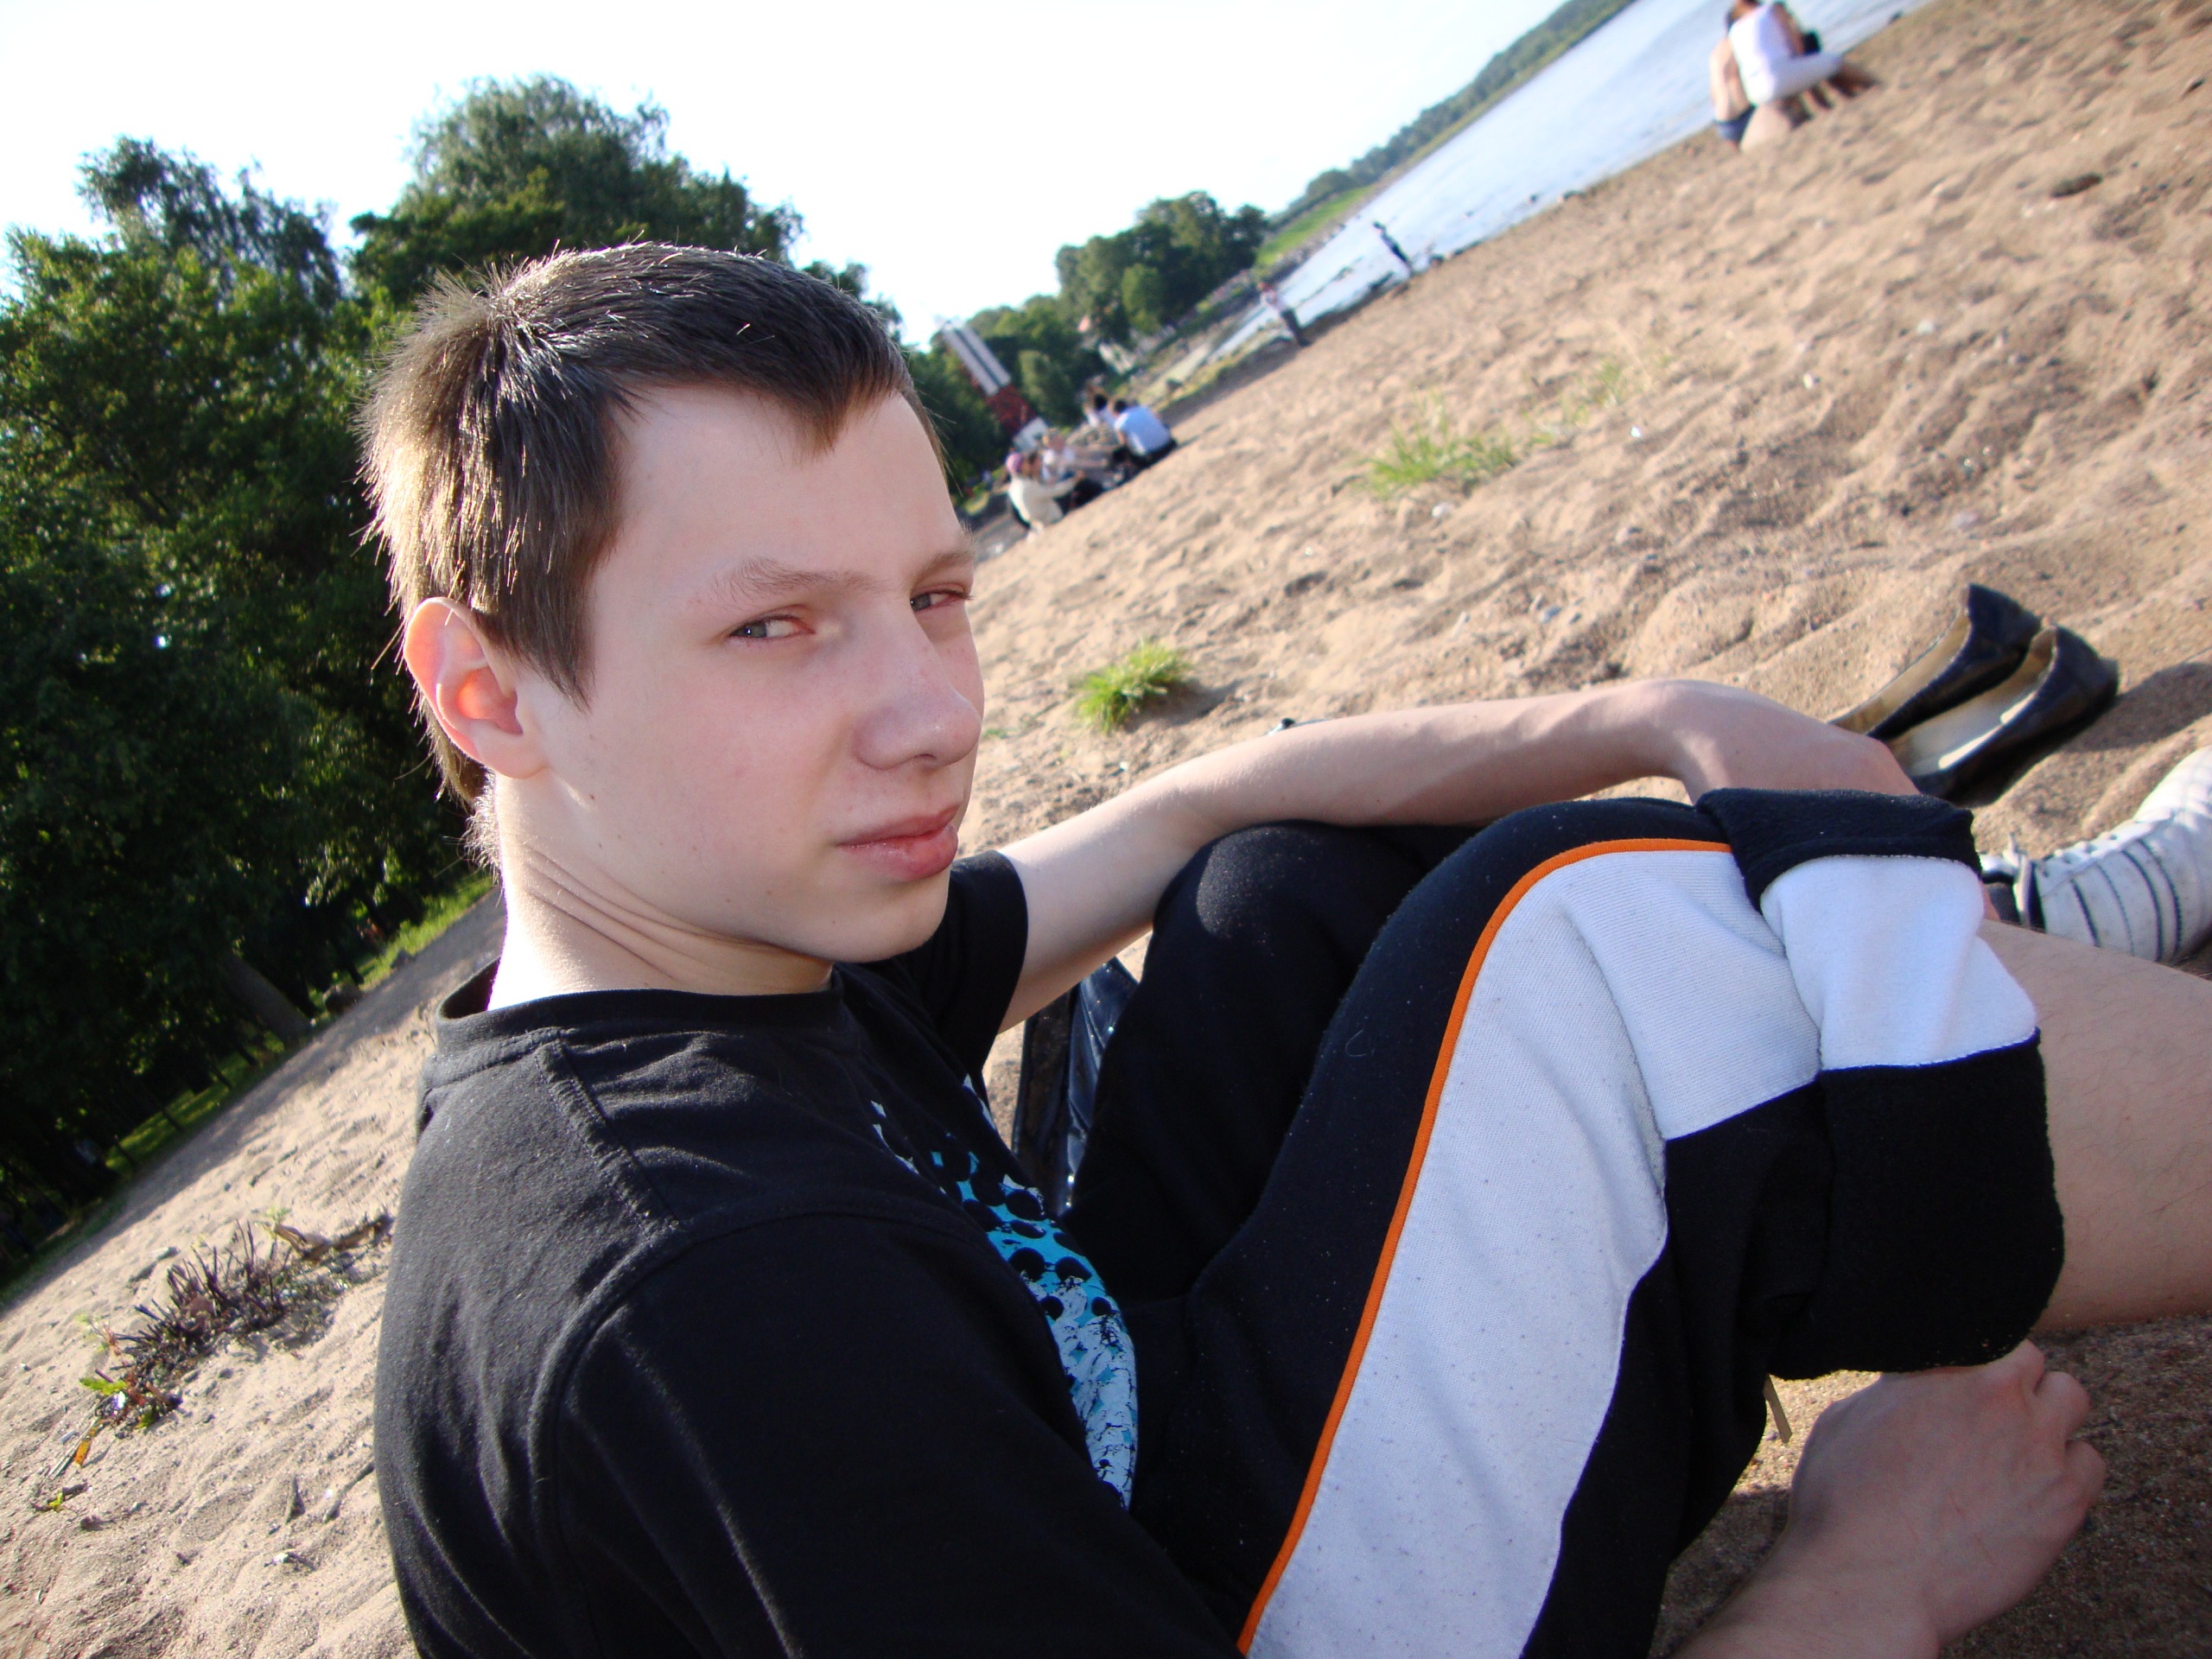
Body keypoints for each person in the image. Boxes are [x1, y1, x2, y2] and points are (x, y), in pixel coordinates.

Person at [367, 245, 2211, 1658]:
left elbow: (1190, 808)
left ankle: (1986, 934)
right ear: (490, 690)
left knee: (1282, 893)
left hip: (1133, 1471)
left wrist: (1656, 716)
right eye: (775, 627)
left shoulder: (708, 959)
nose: (930, 714)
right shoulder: (707, 1284)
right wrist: (1859, 1582)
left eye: (933, 596)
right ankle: (1982, 961)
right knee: (1589, 949)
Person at [1726, 0, 1876, 111]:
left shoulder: (1735, 29)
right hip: (1778, 79)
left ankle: (1824, 108)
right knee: (1834, 62)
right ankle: (1875, 85)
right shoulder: (1772, 10)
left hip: (1756, 92)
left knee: (1797, 71)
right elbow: (1798, 48)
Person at [1005, 447, 1076, 532]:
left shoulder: (1013, 488)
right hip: (1049, 518)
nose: (1028, 464)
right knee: (1069, 481)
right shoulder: (1027, 486)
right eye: (1026, 462)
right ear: (1022, 466)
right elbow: (1054, 491)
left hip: (1035, 523)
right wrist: (1074, 481)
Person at [1110, 395, 1176, 467]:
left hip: (1152, 454)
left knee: (1123, 450)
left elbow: (1124, 444)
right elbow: (1160, 420)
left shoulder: (1119, 423)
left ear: (1115, 413)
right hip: (1169, 444)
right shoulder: (1143, 408)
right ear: (1127, 405)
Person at [1259, 279, 1308, 347]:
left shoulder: (1272, 291)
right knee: (1292, 328)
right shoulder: (1265, 297)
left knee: (1296, 325)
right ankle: (1300, 342)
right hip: (1282, 313)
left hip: (1287, 309)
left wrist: (1273, 291)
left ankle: (1303, 340)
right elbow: (1273, 302)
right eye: (1265, 286)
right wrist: (1273, 294)